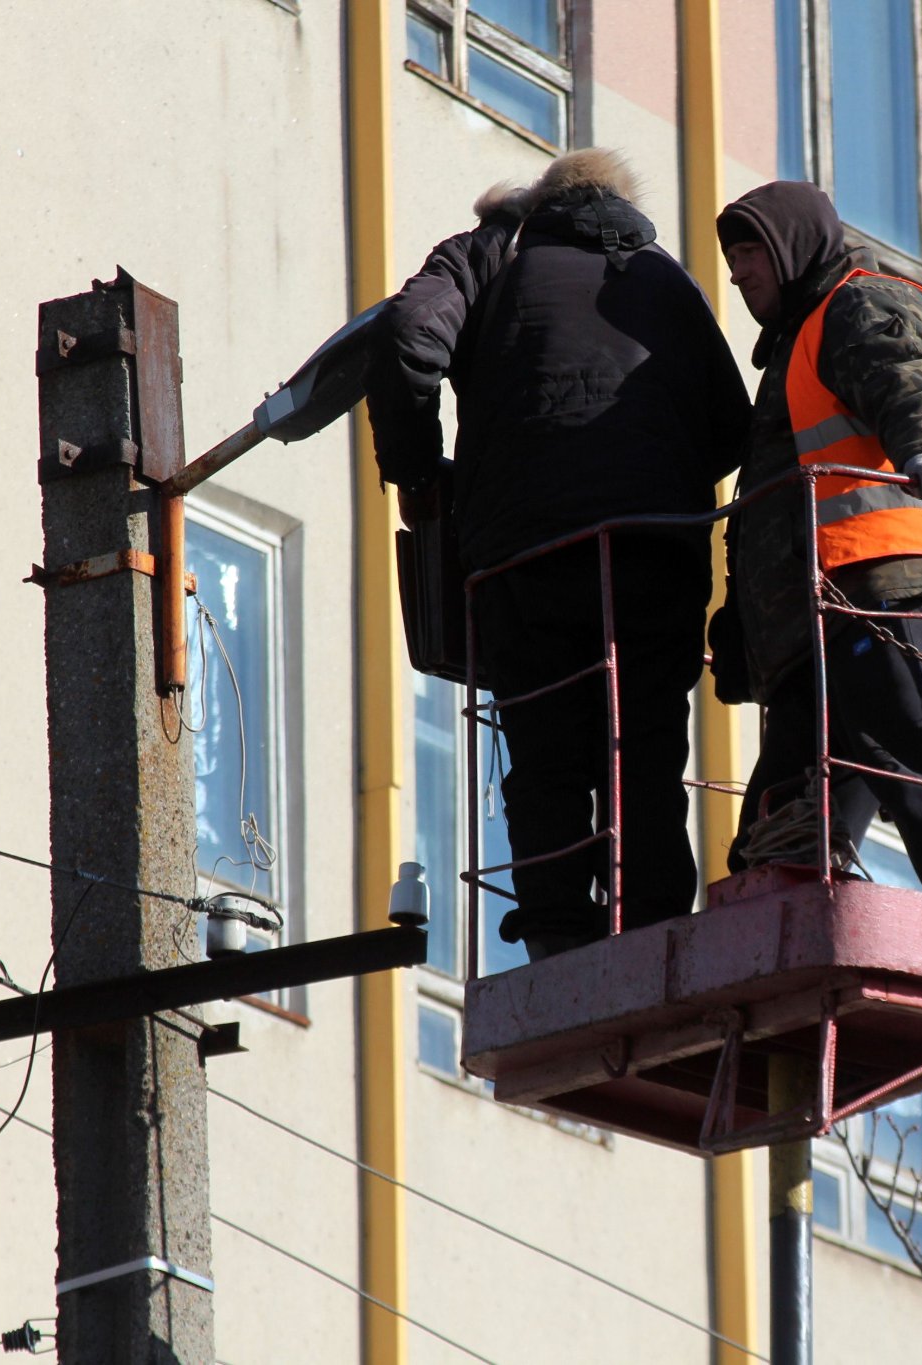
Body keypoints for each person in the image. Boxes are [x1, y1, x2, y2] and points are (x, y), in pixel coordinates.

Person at [365, 149, 750, 959]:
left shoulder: (494, 256)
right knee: (644, 752)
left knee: (542, 757)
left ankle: (555, 938)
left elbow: (408, 334)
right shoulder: (667, 281)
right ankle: (652, 937)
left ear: (538, 202)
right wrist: (650, 480)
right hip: (654, 557)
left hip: (524, 557)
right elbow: (730, 427)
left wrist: (417, 477)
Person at [711, 180, 922, 907]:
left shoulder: (859, 302)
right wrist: (748, 636)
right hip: (821, 621)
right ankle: (771, 954)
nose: (739, 273)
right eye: (732, 260)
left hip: (883, 589)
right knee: (776, 828)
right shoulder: (795, 346)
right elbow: (772, 513)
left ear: (794, 244)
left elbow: (908, 377)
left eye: (751, 251)